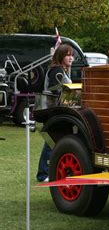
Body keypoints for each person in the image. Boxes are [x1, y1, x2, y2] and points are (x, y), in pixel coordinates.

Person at [36, 44, 74, 182]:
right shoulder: (56, 70)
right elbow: (55, 89)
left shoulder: (61, 70)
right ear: (61, 56)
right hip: (52, 110)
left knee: (54, 141)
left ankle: (48, 172)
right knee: (52, 141)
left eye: (72, 55)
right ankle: (43, 174)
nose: (71, 58)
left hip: (56, 111)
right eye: (68, 55)